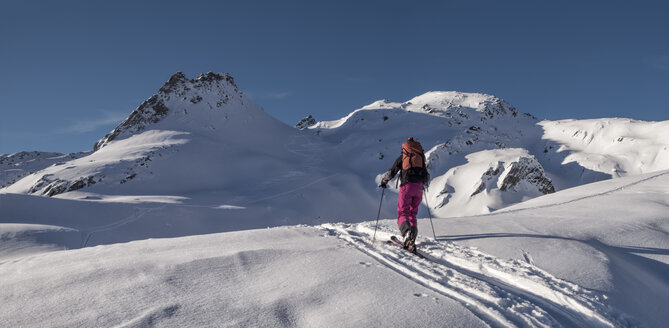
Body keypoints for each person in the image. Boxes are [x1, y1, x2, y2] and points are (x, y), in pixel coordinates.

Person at [379, 137, 429, 249]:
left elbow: (392, 171)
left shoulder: (403, 157)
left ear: (405, 147)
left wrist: (384, 181)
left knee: (403, 213)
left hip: (407, 186)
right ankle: (412, 238)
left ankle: (406, 234)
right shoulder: (421, 158)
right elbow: (426, 176)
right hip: (419, 188)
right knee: (412, 213)